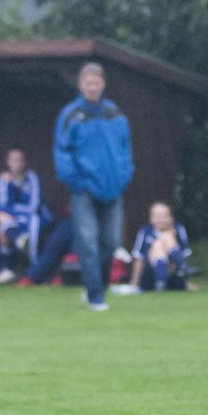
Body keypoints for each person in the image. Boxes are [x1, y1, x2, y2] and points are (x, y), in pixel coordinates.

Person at [53, 62, 133, 311]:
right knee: (87, 241)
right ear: (80, 85)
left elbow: (125, 150)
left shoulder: (115, 115)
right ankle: (95, 296)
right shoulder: (70, 116)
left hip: (113, 188)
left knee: (110, 243)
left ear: (103, 84)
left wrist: (123, 177)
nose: (92, 87)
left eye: (96, 82)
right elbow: (61, 151)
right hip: (83, 189)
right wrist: (75, 180)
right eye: (88, 83)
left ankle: (97, 289)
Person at [0, 148, 52, 284]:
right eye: (13, 160)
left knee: (6, 222)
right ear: (7, 162)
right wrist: (8, 184)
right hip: (14, 219)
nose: (16, 164)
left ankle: (34, 269)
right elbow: (2, 204)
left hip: (35, 217)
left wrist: (15, 210)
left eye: (19, 160)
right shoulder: (3, 179)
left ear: (24, 163)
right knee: (1, 221)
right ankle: (8, 268)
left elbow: (34, 206)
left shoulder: (31, 177)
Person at [130, 202, 192, 291]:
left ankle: (181, 269)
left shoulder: (178, 229)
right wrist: (134, 284)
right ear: (151, 218)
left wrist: (185, 283)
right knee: (158, 244)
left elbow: (184, 254)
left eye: (164, 216)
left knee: (167, 236)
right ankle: (162, 281)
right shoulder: (145, 231)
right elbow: (139, 258)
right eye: (157, 216)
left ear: (171, 218)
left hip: (174, 274)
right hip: (150, 276)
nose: (161, 219)